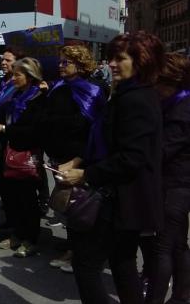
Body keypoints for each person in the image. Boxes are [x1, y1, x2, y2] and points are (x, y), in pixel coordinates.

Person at [60, 32, 164, 304]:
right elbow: (105, 138)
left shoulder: (136, 99)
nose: (112, 65)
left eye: (121, 59)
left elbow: (132, 158)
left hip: (120, 199)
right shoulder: (127, 94)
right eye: (111, 59)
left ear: (141, 62)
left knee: (87, 264)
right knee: (123, 263)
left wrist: (85, 174)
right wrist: (79, 159)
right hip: (123, 199)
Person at [39, 45, 104, 272]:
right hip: (58, 156)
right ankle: (73, 246)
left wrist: (78, 160)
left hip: (79, 158)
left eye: (65, 62)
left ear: (80, 64)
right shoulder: (58, 87)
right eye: (60, 61)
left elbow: (93, 129)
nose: (60, 65)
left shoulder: (93, 90)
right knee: (66, 207)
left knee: (80, 207)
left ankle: (78, 254)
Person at [0, 57, 46, 257]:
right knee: (10, 197)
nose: (13, 78)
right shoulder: (14, 97)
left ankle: (30, 239)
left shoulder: (38, 98)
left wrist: (5, 129)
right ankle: (16, 234)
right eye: (13, 74)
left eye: (18, 75)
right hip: (8, 152)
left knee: (27, 199)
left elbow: (33, 131)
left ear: (29, 77)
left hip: (26, 155)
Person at [146, 53, 190, 304]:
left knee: (163, 248)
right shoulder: (177, 103)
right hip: (177, 183)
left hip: (176, 185)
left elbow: (164, 149)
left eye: (157, 83)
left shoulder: (182, 109)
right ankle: (182, 295)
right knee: (177, 244)